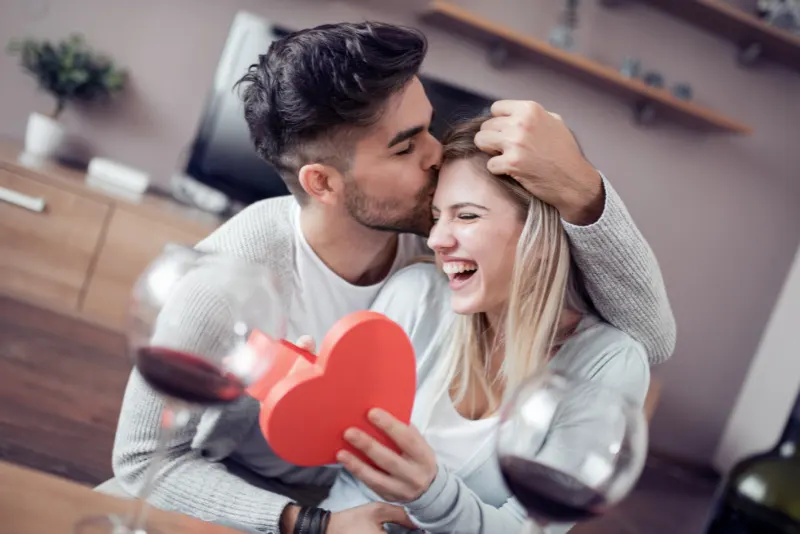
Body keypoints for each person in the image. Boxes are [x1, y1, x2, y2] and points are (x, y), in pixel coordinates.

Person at [110, 21, 675, 534]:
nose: (436, 155)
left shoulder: (430, 245)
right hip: (240, 490)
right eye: (406, 147)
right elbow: (141, 460)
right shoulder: (226, 280)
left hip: (359, 502)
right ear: (323, 183)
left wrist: (580, 188)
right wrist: (308, 522)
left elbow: (647, 339)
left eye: (428, 128)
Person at [310, 116, 651, 534]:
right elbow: (338, 465)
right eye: (437, 216)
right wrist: (309, 402)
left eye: (467, 216)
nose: (436, 239)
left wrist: (430, 494)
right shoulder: (416, 295)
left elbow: (531, 529)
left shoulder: (607, 364)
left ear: (537, 233)